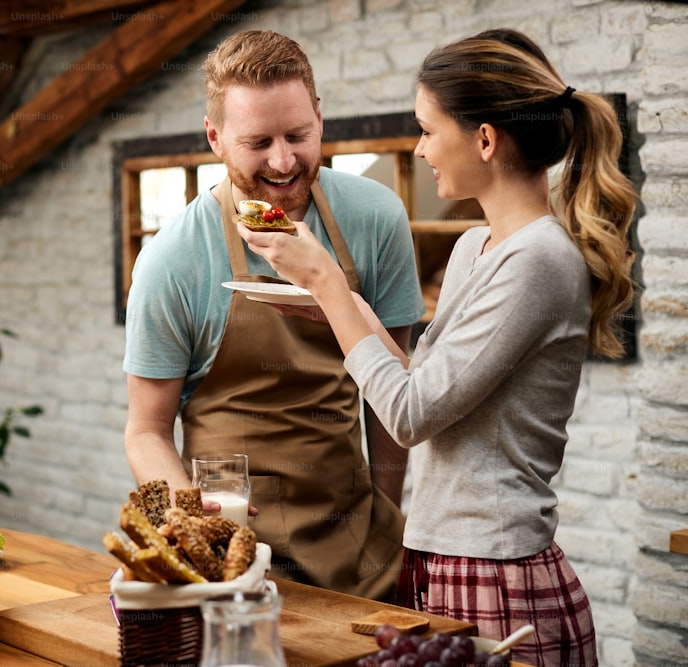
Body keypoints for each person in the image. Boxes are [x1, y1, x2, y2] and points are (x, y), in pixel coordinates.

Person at [238, 28, 635, 667]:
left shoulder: (538, 261)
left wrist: (327, 285)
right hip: (441, 560)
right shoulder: (474, 248)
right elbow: (421, 381)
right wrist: (327, 296)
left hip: (496, 574)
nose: (420, 149)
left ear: (484, 139)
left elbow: (411, 415)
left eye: (427, 129)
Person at [122, 29, 426, 600]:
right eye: (258, 141)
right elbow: (146, 430)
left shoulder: (377, 218)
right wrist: (188, 516)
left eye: (298, 135)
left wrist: (387, 511)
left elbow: (391, 396)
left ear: (320, 117)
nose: (284, 161)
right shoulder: (172, 259)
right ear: (215, 137)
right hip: (231, 557)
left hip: (359, 546)